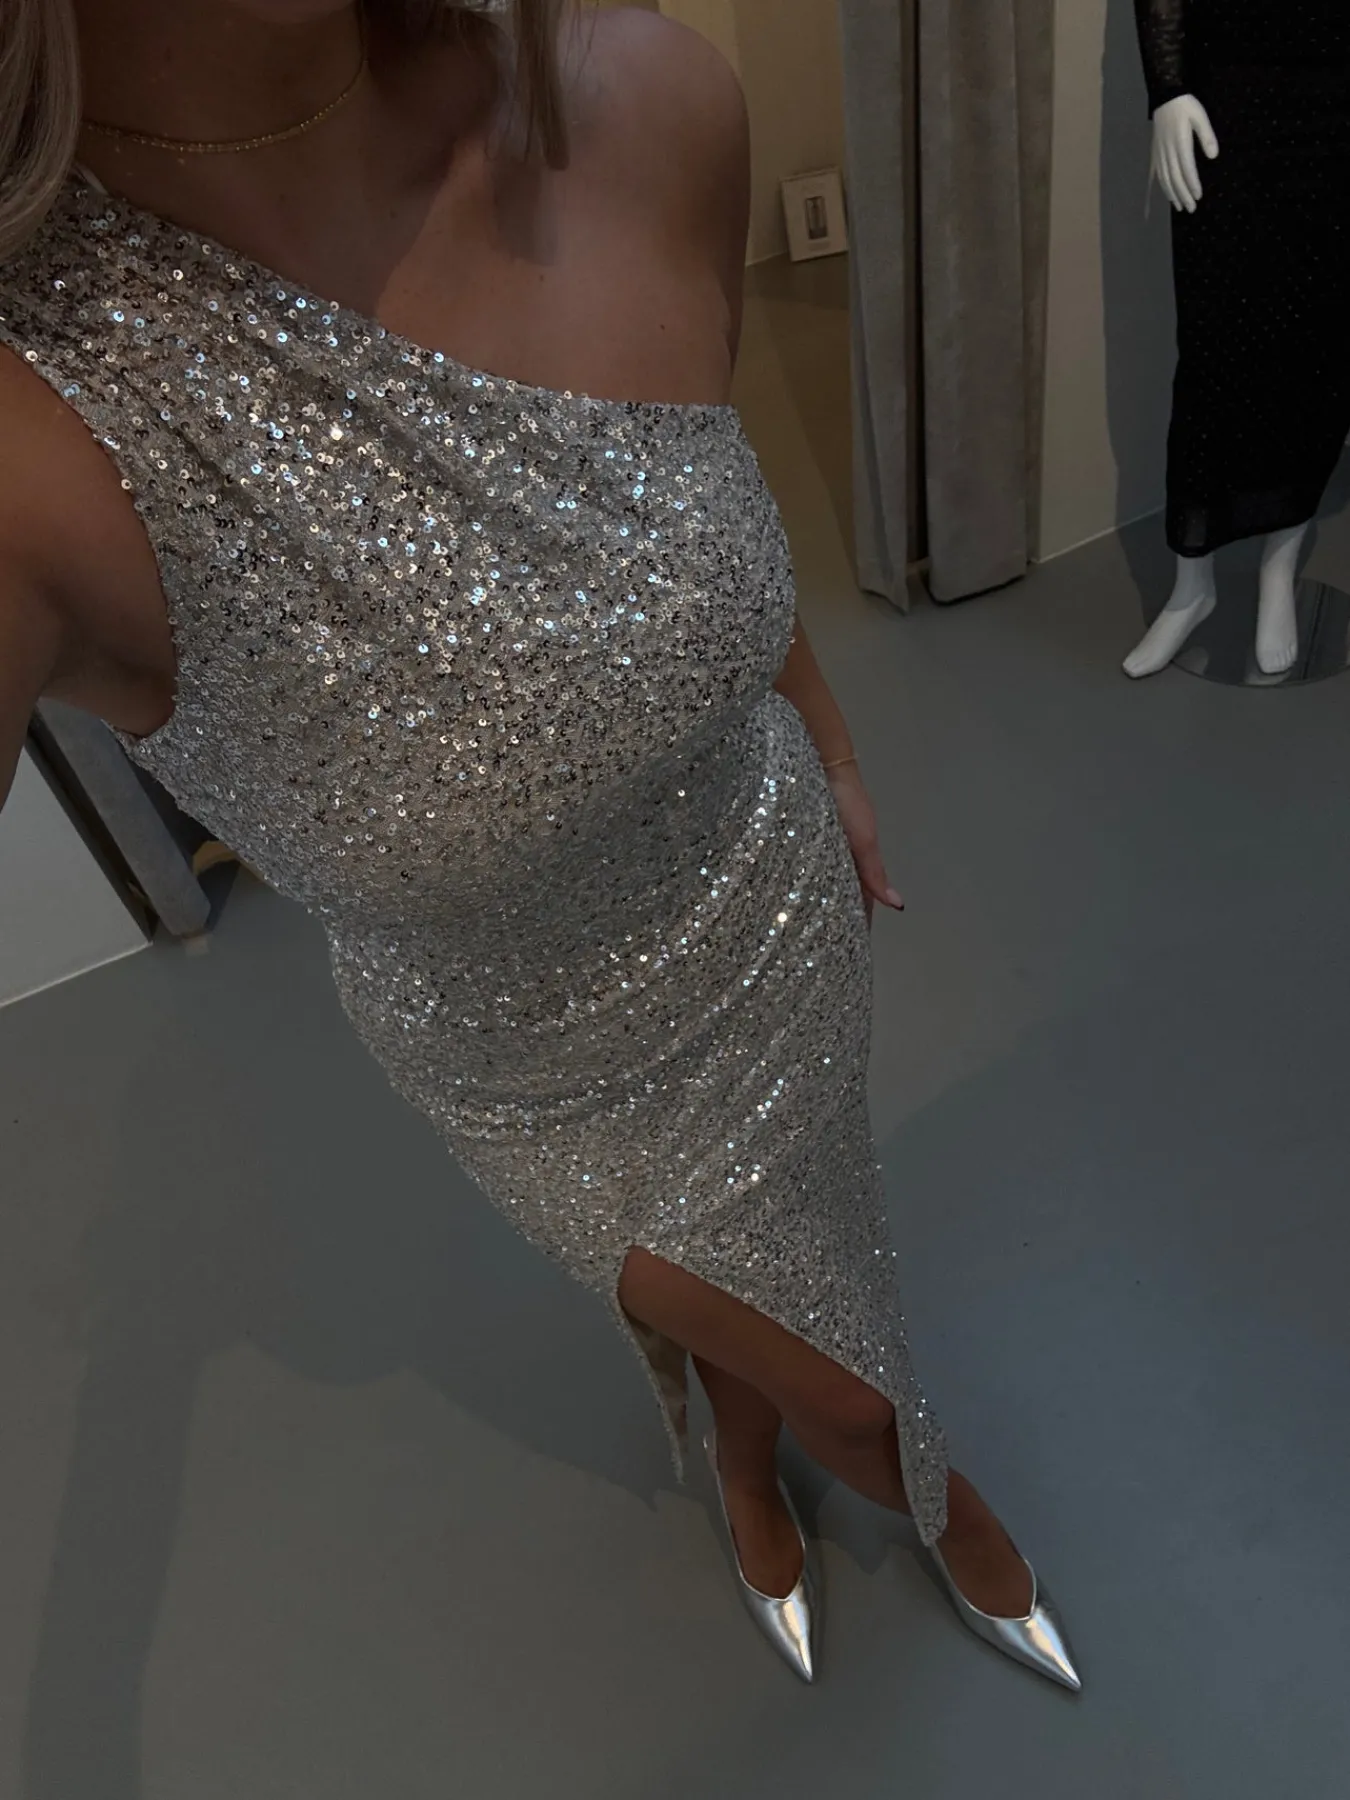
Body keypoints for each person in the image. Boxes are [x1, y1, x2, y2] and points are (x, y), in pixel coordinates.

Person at [0, 0, 1079, 1690]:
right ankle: (931, 1495)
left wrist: (825, 738)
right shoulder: (29, 416)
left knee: (807, 1260)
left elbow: (683, 506)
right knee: (851, 1389)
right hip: (536, 1061)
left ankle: (741, 1472)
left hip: (766, 903)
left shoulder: (634, 96)